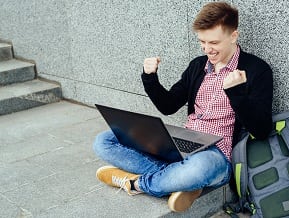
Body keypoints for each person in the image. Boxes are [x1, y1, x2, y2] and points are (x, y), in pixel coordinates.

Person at [93, 1, 273, 212]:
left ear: (233, 36)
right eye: (202, 42)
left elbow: (261, 130)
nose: (207, 49)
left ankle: (136, 183)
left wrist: (236, 93)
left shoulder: (257, 70)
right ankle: (177, 179)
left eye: (214, 42)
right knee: (104, 141)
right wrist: (150, 78)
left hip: (217, 155)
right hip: (184, 142)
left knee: (198, 169)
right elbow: (168, 106)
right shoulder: (198, 65)